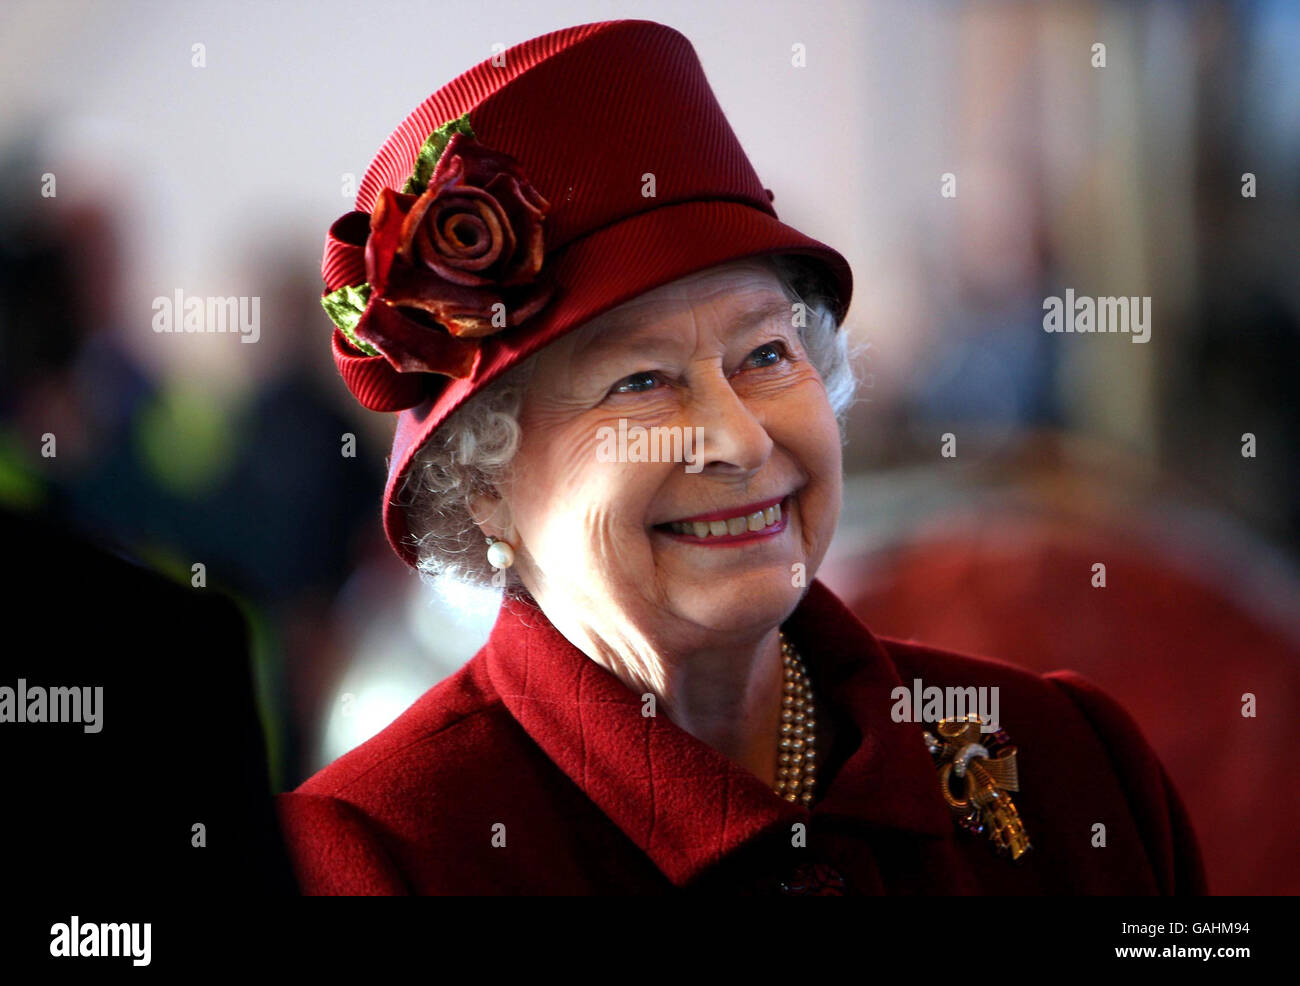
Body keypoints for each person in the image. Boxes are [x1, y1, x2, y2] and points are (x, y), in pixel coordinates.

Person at [276, 18, 1206, 895]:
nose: (740, 438)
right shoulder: (380, 858)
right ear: (485, 490)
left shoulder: (1070, 765)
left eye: (766, 356)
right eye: (641, 381)